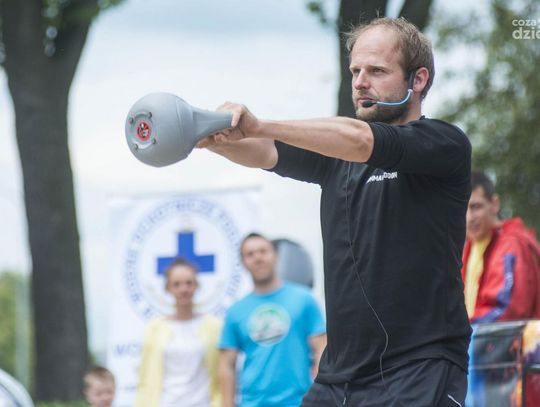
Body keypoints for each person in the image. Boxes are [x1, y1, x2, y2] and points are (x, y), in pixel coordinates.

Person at [199, 16, 472, 406]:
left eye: (376, 71)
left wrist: (259, 124)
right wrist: (208, 136)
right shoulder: (336, 158)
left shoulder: (443, 144)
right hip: (338, 377)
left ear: (418, 79)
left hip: (419, 368)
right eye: (355, 71)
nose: (360, 82)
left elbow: (360, 141)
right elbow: (266, 151)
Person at [219, 233, 326, 407]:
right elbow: (226, 365)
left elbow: (322, 348)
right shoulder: (235, 311)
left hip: (299, 402)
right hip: (253, 403)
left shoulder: (304, 299)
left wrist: (320, 396)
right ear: (243, 263)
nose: (258, 258)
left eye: (263, 251)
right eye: (250, 254)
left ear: (275, 256)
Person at [134, 258, 222, 407]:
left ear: (196, 286)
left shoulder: (215, 326)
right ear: (168, 288)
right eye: (176, 284)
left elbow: (223, 373)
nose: (183, 289)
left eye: (189, 283)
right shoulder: (154, 329)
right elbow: (145, 376)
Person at [461, 170, 540, 323]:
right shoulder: (468, 247)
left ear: (495, 204)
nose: (469, 218)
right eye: (463, 208)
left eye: (476, 206)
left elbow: (505, 310)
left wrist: (459, 329)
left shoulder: (511, 245)